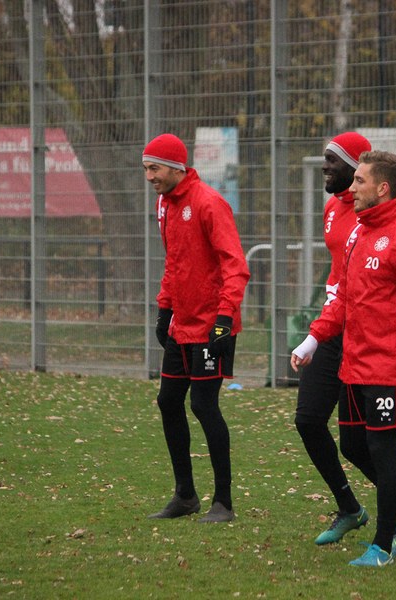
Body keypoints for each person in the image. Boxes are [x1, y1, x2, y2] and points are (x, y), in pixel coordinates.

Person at [291, 150, 396, 567]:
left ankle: (382, 545)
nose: (351, 189)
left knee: (382, 449)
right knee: (354, 445)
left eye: (359, 181)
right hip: (354, 365)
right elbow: (344, 298)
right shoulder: (359, 233)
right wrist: (313, 339)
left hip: (388, 370)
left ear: (382, 188)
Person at [143, 133, 250, 523]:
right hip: (182, 325)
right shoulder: (165, 205)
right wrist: (164, 310)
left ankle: (224, 502)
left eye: (154, 168)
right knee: (168, 401)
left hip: (211, 326)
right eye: (146, 169)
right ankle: (185, 496)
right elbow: (174, 263)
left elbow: (235, 265)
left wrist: (224, 319)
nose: (149, 176)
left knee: (204, 405)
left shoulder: (209, 203)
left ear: (176, 168)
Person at [295, 132, 379, 546]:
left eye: (332, 160)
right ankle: (350, 508)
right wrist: (317, 332)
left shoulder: (372, 213)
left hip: (361, 333)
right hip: (332, 325)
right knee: (308, 420)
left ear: (355, 167)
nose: (325, 167)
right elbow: (338, 272)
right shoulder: (332, 207)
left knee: (358, 444)